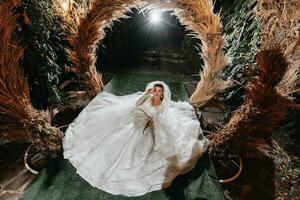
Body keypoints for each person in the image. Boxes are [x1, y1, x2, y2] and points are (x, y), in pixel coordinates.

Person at [62, 80, 209, 197]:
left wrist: (152, 124)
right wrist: (146, 93)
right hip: (136, 124)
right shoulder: (148, 97)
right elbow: (137, 104)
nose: (157, 93)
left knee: (144, 148)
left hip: (146, 128)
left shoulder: (162, 106)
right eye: (155, 90)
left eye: (159, 91)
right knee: (118, 141)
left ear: (163, 93)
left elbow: (159, 118)